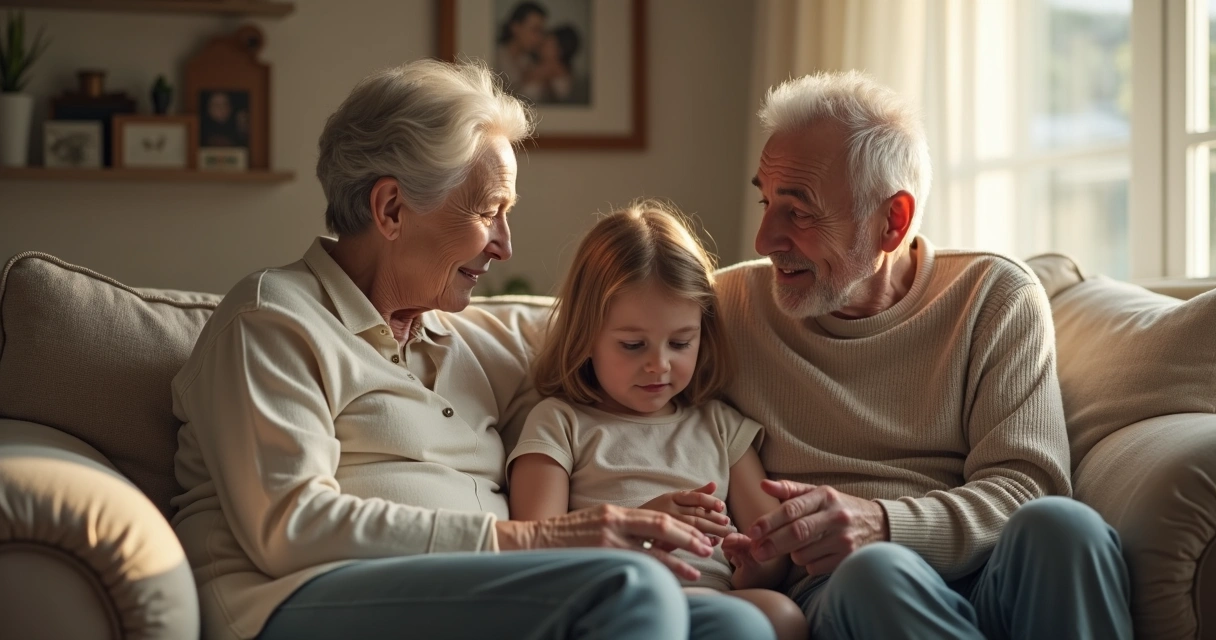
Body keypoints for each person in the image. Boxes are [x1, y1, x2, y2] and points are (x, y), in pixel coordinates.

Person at [168, 60, 772, 640]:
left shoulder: (470, 345)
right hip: (300, 600)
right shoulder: (272, 318)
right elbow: (290, 527)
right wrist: (540, 543)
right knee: (627, 587)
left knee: (733, 623)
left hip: (486, 594)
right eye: (489, 212)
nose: (505, 246)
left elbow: (610, 403)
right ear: (391, 209)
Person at [717, 70, 1135, 639]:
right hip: (846, 589)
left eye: (798, 211)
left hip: (990, 574)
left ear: (893, 221)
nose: (765, 239)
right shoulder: (724, 307)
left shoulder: (993, 295)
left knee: (1065, 526)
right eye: (766, 202)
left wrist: (886, 523)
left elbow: (1027, 485)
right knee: (875, 572)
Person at [507, 201, 806, 640]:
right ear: (586, 337)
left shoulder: (721, 426)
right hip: (623, 603)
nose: (659, 366)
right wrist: (641, 525)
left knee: (782, 614)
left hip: (712, 594)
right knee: (740, 625)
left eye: (680, 343)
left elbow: (770, 543)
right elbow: (535, 545)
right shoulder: (560, 422)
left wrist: (754, 560)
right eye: (633, 345)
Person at [496, 2, 547, 94]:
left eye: (541, 31)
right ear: (515, 27)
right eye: (535, 30)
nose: (539, 37)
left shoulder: (528, 61)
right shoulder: (495, 57)